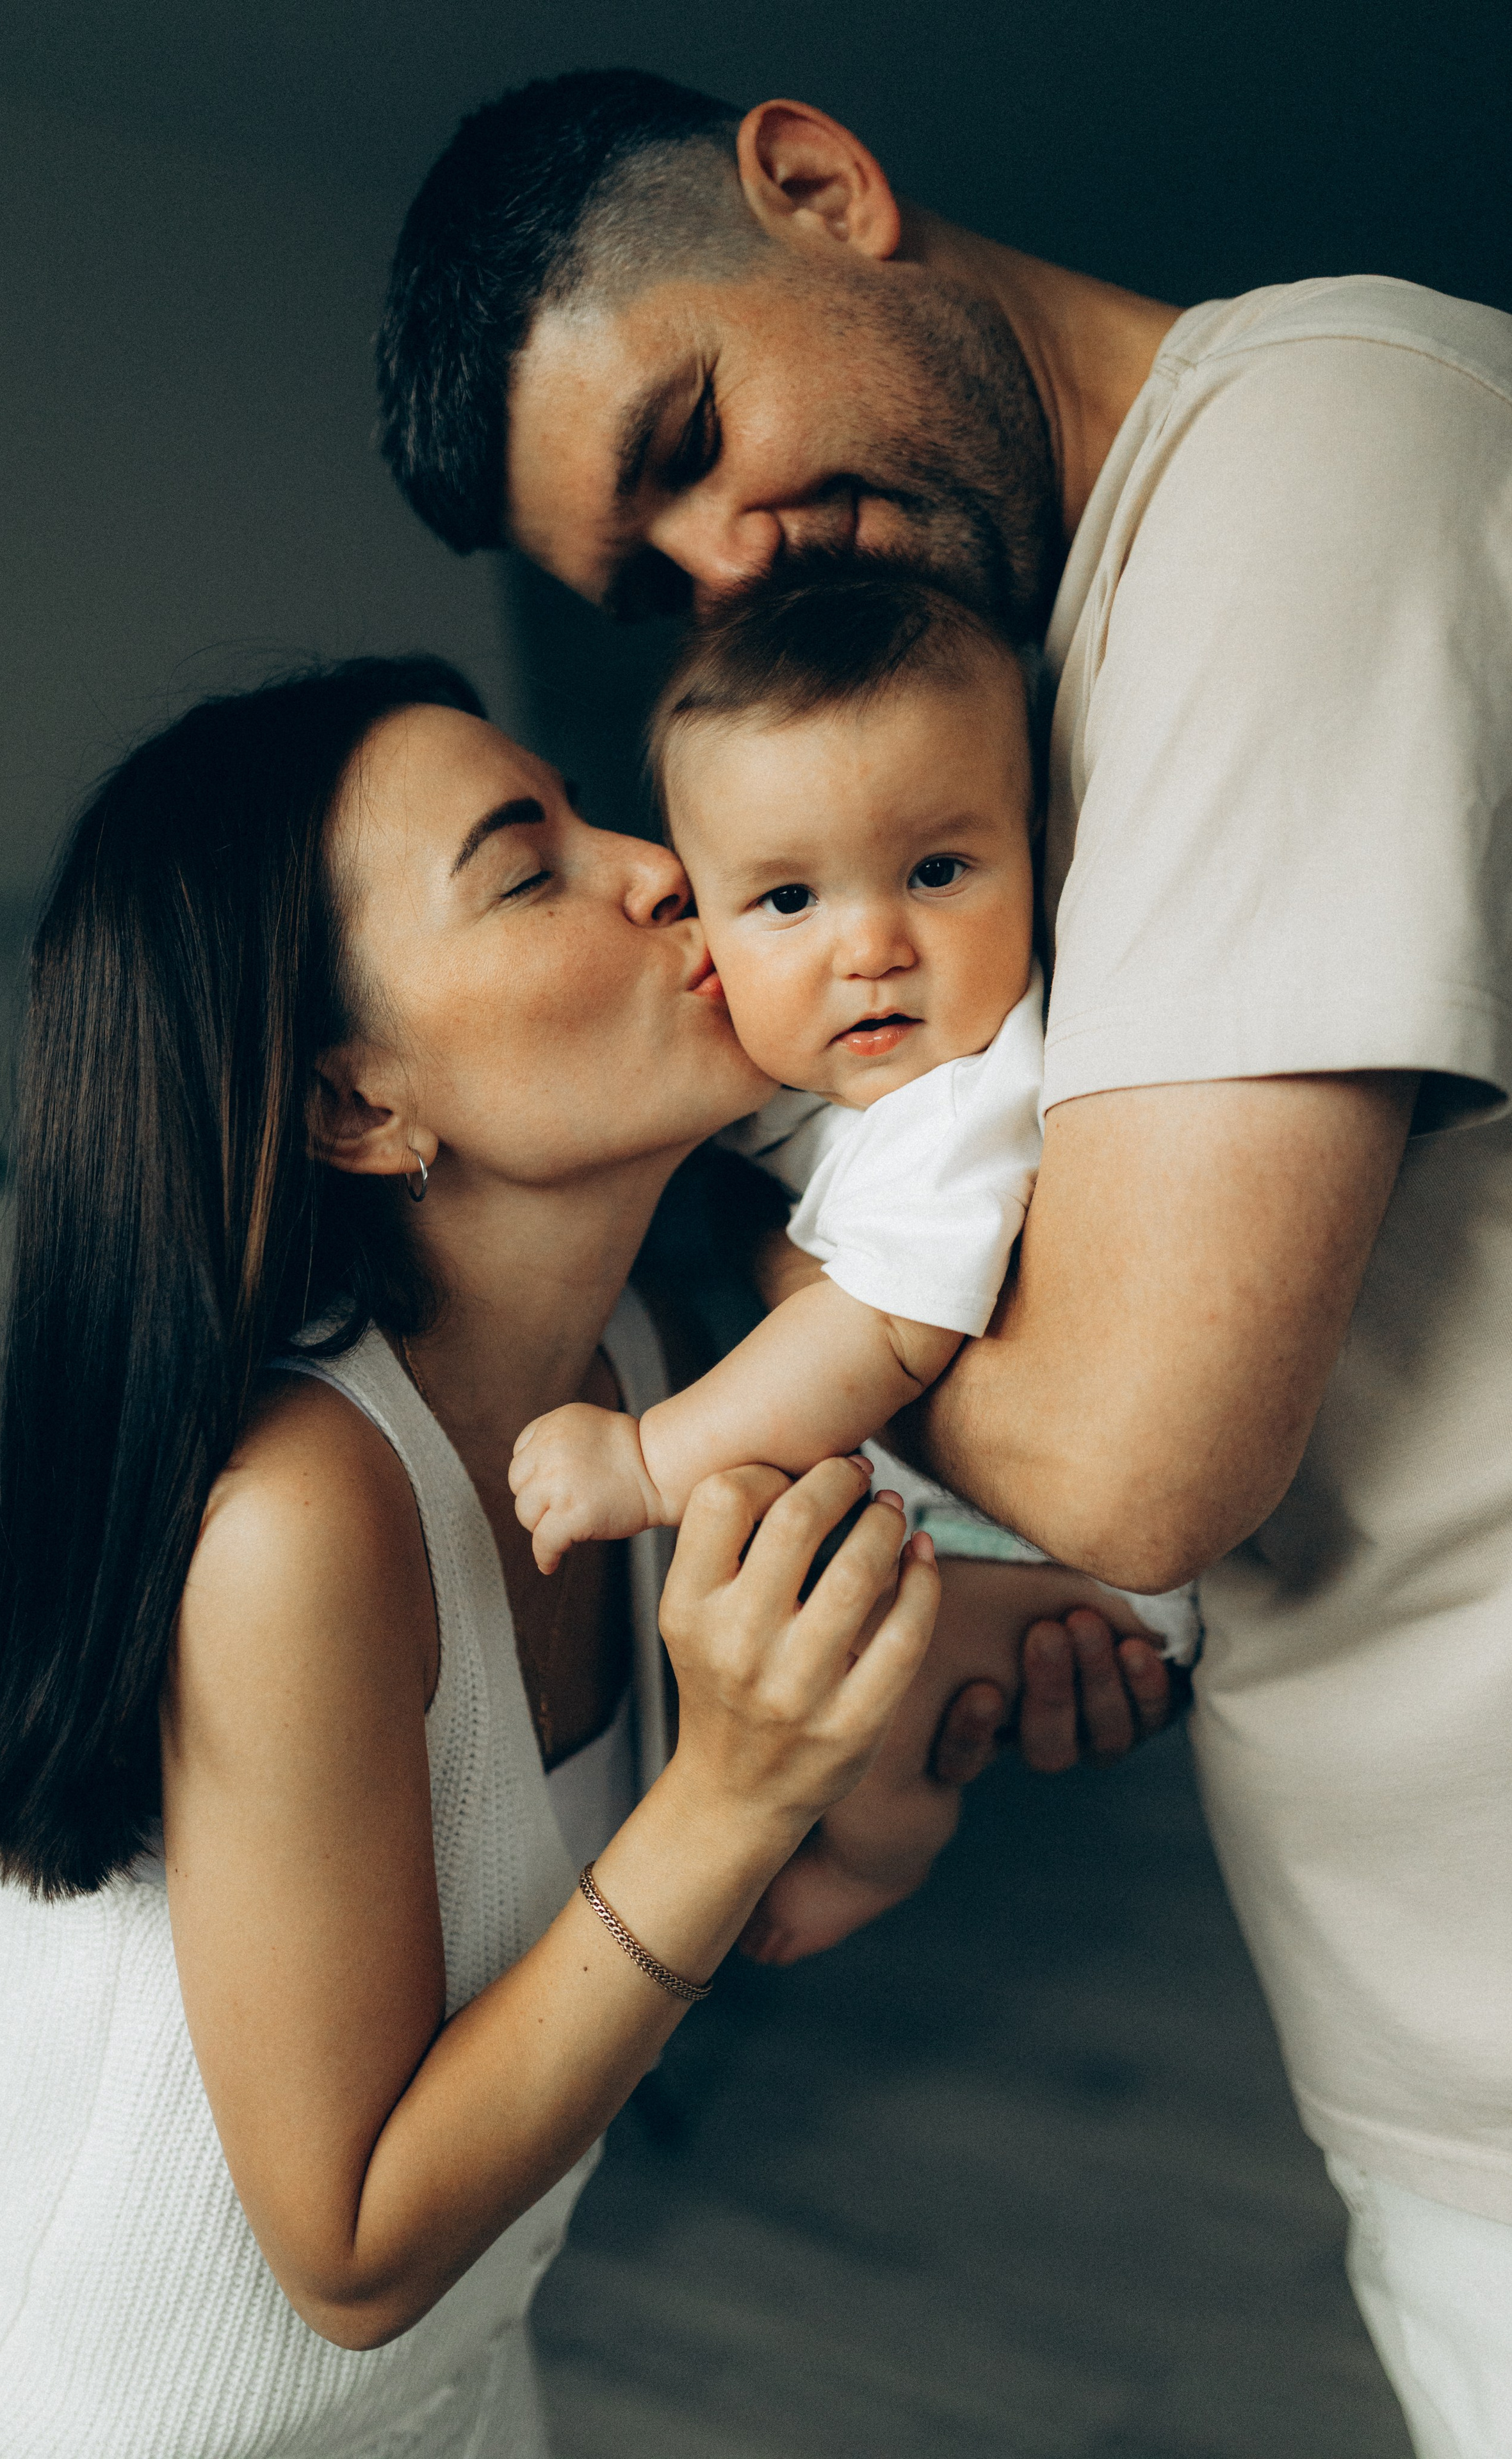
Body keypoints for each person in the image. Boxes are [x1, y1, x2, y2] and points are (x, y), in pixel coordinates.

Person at [376, 69, 1512, 2456]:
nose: (726, 562)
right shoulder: (1011, 705)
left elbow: (1137, 1440)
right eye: (647, 574)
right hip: (1419, 2014)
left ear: (820, 189)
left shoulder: (1305, 456)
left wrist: (828, 1324)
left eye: (690, 434)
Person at [0, 655, 947, 2459]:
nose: (660, 865)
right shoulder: (302, 1520)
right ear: (358, 1107)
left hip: (448, 2387)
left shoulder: (636, 1393)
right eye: (529, 868)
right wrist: (740, 1786)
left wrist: (948, 1675)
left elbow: (741, 1913)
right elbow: (350, 2248)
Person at [511, 558, 1199, 1963]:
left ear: (1036, 852)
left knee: (860, 1677)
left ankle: (877, 1861)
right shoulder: (823, 1073)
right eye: (784, 902)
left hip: (1047, 1563)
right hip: (947, 1512)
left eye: (937, 872)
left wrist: (650, 1462)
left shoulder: (965, 1109)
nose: (871, 946)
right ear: (702, 918)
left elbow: (879, 1334)